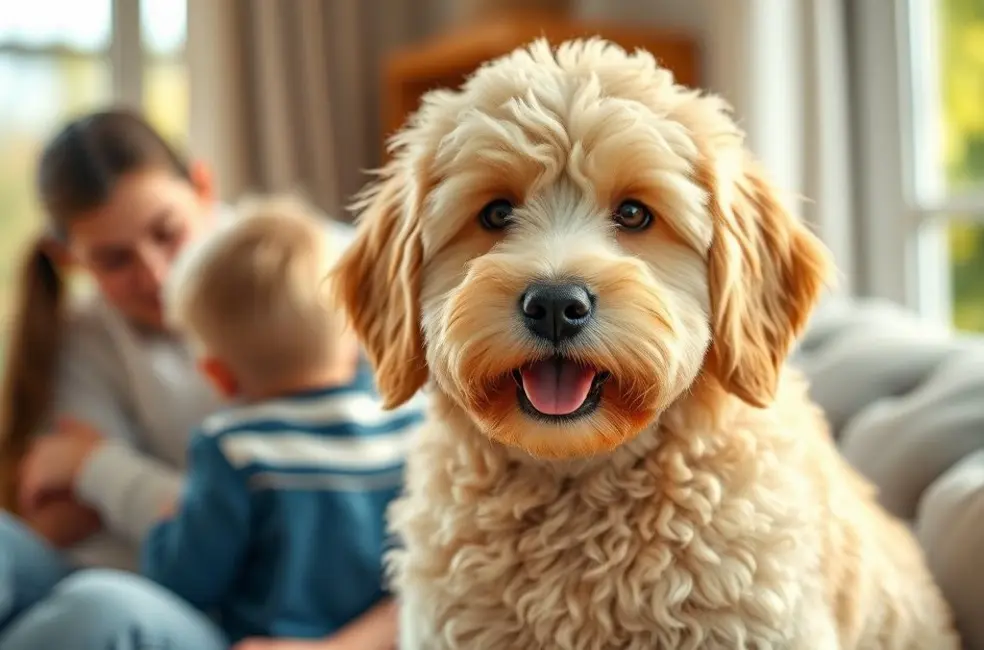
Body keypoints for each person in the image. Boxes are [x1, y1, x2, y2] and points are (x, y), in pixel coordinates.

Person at [0, 109, 360, 650]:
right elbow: (62, 520)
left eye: (167, 233)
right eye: (114, 260)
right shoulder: (82, 331)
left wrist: (95, 466)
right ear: (68, 259)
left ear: (203, 187)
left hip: (235, 617)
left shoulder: (316, 273)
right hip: (152, 581)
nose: (157, 276)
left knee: (97, 610)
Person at [141, 196, 421, 647]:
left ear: (219, 375)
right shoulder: (412, 421)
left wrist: (166, 530)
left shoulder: (232, 448)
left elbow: (184, 582)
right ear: (355, 329)